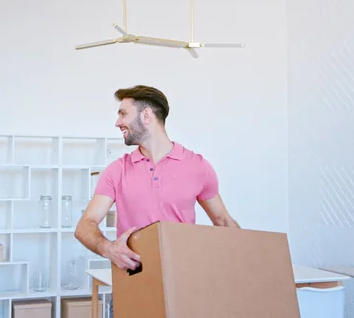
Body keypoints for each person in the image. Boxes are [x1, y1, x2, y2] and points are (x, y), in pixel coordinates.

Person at [74, 85, 240, 317]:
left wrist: (248, 266)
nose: (117, 122)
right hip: (132, 285)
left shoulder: (198, 166)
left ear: (146, 115)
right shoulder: (117, 171)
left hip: (184, 288)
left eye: (123, 113)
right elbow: (85, 225)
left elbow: (223, 221)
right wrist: (109, 249)